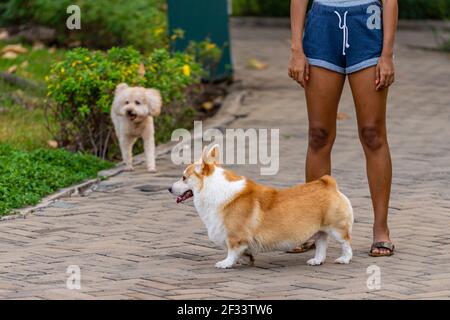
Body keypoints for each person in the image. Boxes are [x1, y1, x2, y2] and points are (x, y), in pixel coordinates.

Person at [288, 0, 398, 256]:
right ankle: (314, 227)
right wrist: (296, 49)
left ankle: (381, 229)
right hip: (322, 26)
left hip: (367, 26)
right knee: (319, 134)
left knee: (372, 134)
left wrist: (387, 54)